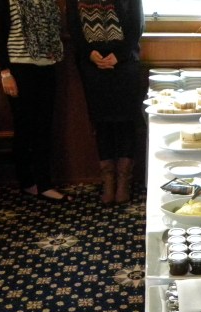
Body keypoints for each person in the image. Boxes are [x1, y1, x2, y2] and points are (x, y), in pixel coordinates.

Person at [0, 0, 72, 202]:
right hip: (19, 69)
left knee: (44, 127)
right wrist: (5, 73)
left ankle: (44, 184)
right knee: (24, 127)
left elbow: (53, 28)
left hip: (47, 66)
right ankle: (26, 182)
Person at [66, 0, 144, 205]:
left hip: (124, 64)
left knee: (126, 123)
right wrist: (89, 53)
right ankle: (108, 182)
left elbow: (137, 26)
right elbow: (73, 27)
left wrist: (118, 55)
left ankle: (123, 183)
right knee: (102, 124)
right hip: (92, 67)